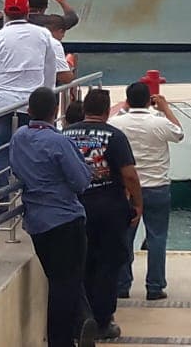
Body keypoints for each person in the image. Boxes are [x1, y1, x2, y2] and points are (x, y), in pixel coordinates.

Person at [9, 87, 98, 347]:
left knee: (59, 280)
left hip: (37, 222)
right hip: (65, 220)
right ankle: (66, 337)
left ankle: (82, 323)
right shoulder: (59, 142)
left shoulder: (19, 138)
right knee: (66, 286)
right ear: (55, 111)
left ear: (29, 111)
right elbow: (80, 181)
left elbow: (16, 169)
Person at [63, 89, 143, 340]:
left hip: (75, 207)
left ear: (85, 109)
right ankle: (102, 321)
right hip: (110, 208)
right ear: (107, 111)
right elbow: (129, 175)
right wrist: (138, 203)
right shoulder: (115, 136)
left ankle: (80, 319)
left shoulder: (65, 135)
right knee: (108, 264)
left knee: (81, 263)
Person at [0, 0, 56, 212]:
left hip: (1, 104)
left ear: (5, 13)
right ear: (28, 12)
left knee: (0, 153)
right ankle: (32, 200)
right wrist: (48, 99)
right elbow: (50, 71)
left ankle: (2, 200)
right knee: (32, 155)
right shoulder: (43, 35)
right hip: (32, 105)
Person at [111, 83, 184, 301]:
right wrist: (165, 108)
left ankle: (122, 285)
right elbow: (179, 134)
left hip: (127, 189)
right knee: (157, 238)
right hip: (157, 186)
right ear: (148, 101)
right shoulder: (159, 122)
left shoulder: (116, 123)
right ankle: (155, 286)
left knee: (124, 238)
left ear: (127, 100)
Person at [43, 14, 76, 85]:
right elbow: (66, 78)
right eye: (63, 33)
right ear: (60, 31)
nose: (63, 36)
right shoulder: (54, 44)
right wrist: (70, 65)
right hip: (44, 89)